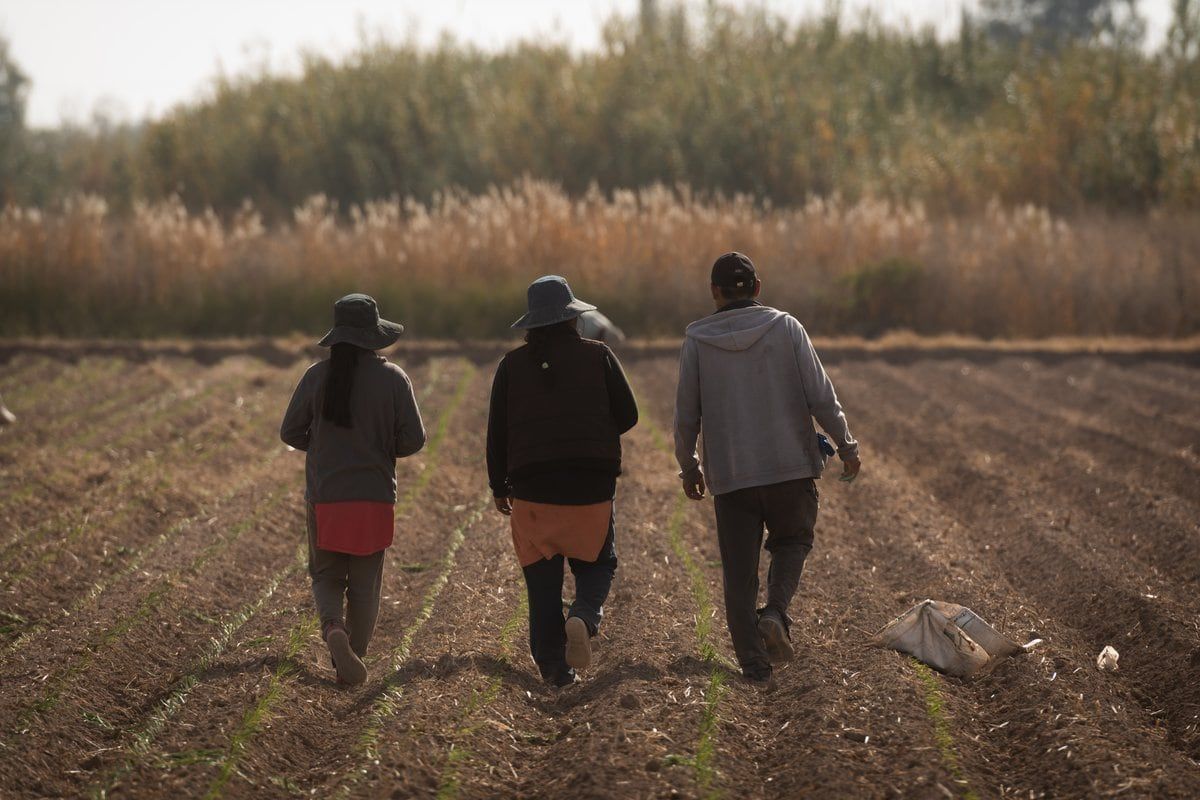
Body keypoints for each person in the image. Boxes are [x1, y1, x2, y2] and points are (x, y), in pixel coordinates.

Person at [673, 252, 861, 689]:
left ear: (715, 292)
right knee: (792, 541)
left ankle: (755, 669)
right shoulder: (786, 327)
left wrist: (689, 467)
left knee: (739, 575)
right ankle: (775, 613)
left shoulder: (698, 340)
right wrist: (847, 445)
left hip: (733, 475)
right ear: (757, 288)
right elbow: (820, 395)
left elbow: (686, 415)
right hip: (791, 467)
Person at [487, 275, 638, 688]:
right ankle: (584, 616)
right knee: (599, 562)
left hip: (533, 491)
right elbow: (629, 415)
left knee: (542, 579)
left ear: (531, 323)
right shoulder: (599, 355)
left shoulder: (511, 366)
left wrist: (499, 487)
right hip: (591, 487)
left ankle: (556, 670)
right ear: (573, 318)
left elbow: (496, 432)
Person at [280, 293, 426, 686]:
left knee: (326, 576)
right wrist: (380, 448)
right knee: (364, 586)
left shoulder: (315, 376)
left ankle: (334, 633)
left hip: (326, 495)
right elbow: (414, 439)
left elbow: (289, 432)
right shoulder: (393, 378)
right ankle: (354, 660)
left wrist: (326, 448)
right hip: (374, 496)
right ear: (374, 336)